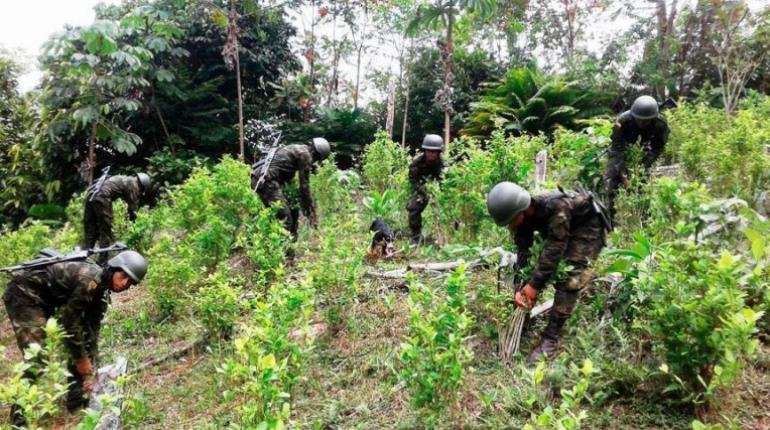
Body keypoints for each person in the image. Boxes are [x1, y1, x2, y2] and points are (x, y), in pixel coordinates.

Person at [3, 250, 148, 425]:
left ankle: (76, 402)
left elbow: (90, 333)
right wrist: (82, 361)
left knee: (84, 350)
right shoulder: (88, 280)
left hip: (46, 300)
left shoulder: (100, 293)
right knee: (38, 358)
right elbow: (69, 323)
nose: (124, 283)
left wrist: (90, 369)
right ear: (114, 268)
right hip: (25, 295)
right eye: (123, 275)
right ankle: (19, 422)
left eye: (130, 282)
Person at [487, 182, 608, 365]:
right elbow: (524, 253)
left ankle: (551, 338)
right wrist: (522, 288)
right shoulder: (522, 219)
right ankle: (523, 324)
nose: (510, 226)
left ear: (522, 210)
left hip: (588, 225)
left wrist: (534, 286)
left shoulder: (555, 207)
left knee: (569, 279)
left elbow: (554, 249)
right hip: (561, 229)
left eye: (511, 220)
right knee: (527, 277)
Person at [604, 95, 670, 218]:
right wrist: (623, 175)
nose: (641, 123)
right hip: (622, 146)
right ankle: (610, 219)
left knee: (642, 181)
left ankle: (643, 216)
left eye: (646, 121)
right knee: (611, 180)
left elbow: (658, 148)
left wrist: (643, 166)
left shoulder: (661, 124)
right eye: (638, 119)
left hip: (644, 148)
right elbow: (617, 149)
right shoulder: (622, 122)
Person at [251, 137, 331, 238]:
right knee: (284, 216)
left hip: (263, 178)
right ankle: (283, 250)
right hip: (266, 180)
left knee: (293, 210)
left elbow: (289, 180)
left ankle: (290, 244)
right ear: (317, 154)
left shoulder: (298, 149)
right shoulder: (305, 155)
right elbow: (304, 186)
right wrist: (310, 209)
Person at [84, 173, 152, 252]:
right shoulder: (133, 184)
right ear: (142, 185)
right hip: (102, 196)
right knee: (105, 230)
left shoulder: (125, 178)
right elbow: (133, 210)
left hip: (91, 194)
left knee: (90, 228)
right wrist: (135, 225)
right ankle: (103, 260)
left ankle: (86, 255)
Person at [406, 134, 444, 245]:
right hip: (422, 189)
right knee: (413, 208)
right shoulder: (416, 164)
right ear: (425, 151)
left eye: (434, 151)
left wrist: (440, 194)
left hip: (438, 190)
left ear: (439, 152)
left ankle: (448, 235)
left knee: (451, 206)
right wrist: (424, 191)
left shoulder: (442, 164)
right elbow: (413, 181)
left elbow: (445, 180)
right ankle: (416, 236)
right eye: (429, 151)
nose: (432, 154)